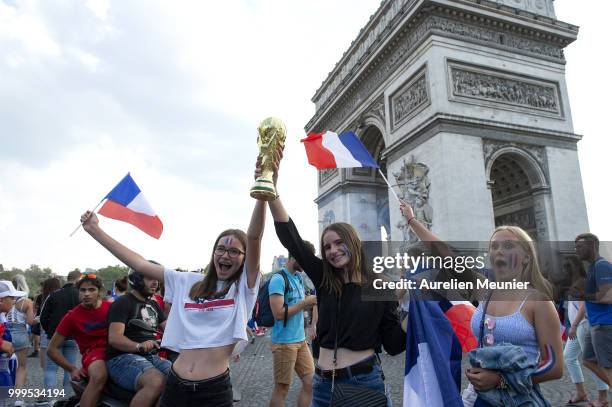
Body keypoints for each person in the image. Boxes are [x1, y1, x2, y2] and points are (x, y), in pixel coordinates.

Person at [80, 172, 266, 407]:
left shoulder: (243, 288)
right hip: (176, 385)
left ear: (245, 257)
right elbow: (138, 264)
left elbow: (254, 237)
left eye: (234, 251)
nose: (225, 255)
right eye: (220, 249)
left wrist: (264, 190)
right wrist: (95, 230)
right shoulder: (187, 281)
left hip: (214, 390)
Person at [268, 163, 407, 407]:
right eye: (327, 247)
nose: (332, 251)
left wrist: (417, 309)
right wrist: (272, 190)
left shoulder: (380, 287)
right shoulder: (324, 278)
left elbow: (393, 344)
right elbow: (292, 239)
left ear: (353, 242)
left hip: (362, 383)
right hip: (321, 386)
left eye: (339, 243)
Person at [399, 201, 563, 406]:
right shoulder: (484, 290)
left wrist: (501, 380)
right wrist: (412, 221)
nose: (499, 251)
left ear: (526, 257)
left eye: (508, 246)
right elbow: (448, 256)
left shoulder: (538, 302)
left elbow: (554, 367)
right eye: (494, 247)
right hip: (478, 399)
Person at [106, 268, 170, 407]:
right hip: (121, 358)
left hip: (150, 357)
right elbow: (114, 337)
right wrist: (138, 346)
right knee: (156, 381)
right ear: (137, 279)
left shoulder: (153, 304)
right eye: (150, 278)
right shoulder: (123, 302)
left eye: (157, 280)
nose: (155, 283)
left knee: (180, 378)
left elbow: (169, 330)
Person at [47, 274, 111, 407]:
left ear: (99, 292)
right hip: (93, 355)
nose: (87, 294)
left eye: (92, 289)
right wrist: (72, 369)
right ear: (78, 292)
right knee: (99, 376)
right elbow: (51, 349)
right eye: (83, 290)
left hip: (116, 351)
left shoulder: (111, 308)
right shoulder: (72, 316)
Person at [268, 242, 317, 407]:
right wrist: (305, 303)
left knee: (311, 382)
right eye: (305, 259)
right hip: (284, 342)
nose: (308, 263)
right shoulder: (278, 279)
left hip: (300, 340)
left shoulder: (298, 278)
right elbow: (279, 314)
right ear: (295, 255)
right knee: (282, 388)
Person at [563, 255, 609, 406]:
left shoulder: (583, 281)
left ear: (576, 266)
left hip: (583, 324)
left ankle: (602, 397)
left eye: (568, 266)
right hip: (576, 326)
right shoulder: (572, 282)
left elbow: (584, 305)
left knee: (591, 361)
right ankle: (581, 392)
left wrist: (574, 325)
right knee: (569, 357)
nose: (565, 269)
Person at [575, 233, 612, 405]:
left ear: (592, 246)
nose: (577, 249)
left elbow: (608, 297)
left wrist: (583, 294)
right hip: (594, 322)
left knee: (606, 365)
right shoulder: (592, 267)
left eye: (580, 246)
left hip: (604, 322)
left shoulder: (602, 266)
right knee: (587, 359)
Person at [40, 270, 80, 390]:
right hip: (74, 337)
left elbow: (43, 317)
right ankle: (67, 398)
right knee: (70, 368)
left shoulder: (54, 294)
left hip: (54, 336)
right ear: (78, 279)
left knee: (51, 368)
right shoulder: (80, 295)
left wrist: (49, 331)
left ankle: (50, 399)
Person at [6, 274, 35, 396]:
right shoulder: (26, 302)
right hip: (21, 335)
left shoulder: (7, 299)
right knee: (21, 367)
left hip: (6, 334)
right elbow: (30, 321)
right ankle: (19, 399)